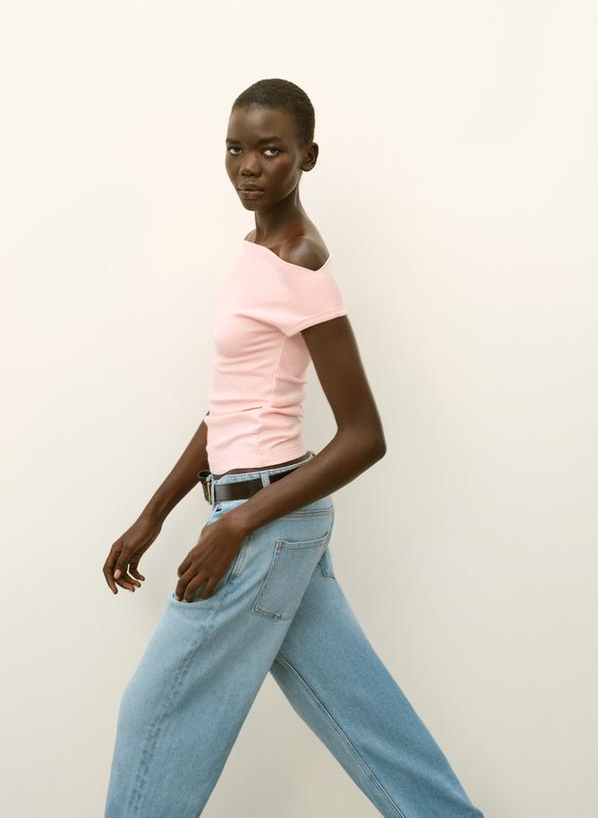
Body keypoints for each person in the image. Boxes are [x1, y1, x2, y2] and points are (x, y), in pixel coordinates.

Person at [104, 79, 484, 817]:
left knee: (151, 716)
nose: (248, 166)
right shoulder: (256, 251)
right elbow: (229, 410)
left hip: (262, 526)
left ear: (307, 156)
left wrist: (237, 526)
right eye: (235, 148)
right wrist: (155, 512)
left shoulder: (300, 262)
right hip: (274, 524)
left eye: (271, 150)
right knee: (374, 729)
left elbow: (365, 436)